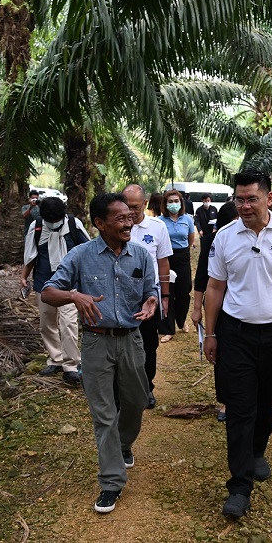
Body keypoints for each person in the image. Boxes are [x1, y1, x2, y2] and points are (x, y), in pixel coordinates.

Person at [202, 171, 272, 518]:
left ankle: (256, 450)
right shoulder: (224, 236)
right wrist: (210, 333)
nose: (244, 205)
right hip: (236, 334)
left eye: (251, 198)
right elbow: (215, 288)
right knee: (240, 409)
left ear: (268, 198)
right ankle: (239, 486)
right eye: (239, 199)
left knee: (268, 403)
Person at [41, 193, 158, 514]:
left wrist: (152, 301)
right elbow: (48, 292)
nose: (128, 222)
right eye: (120, 218)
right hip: (95, 343)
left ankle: (124, 444)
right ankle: (111, 482)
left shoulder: (142, 255)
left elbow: (151, 290)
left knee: (136, 400)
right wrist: (73, 295)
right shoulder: (80, 256)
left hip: (132, 340)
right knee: (103, 414)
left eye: (130, 216)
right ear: (99, 224)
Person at [19, 197, 90, 384]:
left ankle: (71, 365)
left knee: (68, 323)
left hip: (70, 284)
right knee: (47, 322)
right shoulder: (37, 227)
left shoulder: (74, 224)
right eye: (49, 221)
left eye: (56, 221)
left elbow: (88, 250)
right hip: (44, 282)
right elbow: (30, 254)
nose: (53, 224)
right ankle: (55, 359)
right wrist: (24, 277)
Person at [122, 184, 172, 408]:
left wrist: (165, 296)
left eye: (134, 206)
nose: (130, 211)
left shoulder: (158, 227)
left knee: (148, 345)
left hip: (148, 298)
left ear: (144, 204)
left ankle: (147, 388)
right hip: (121, 297)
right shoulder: (117, 226)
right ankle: (124, 390)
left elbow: (163, 262)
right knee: (122, 346)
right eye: (126, 206)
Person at [191, 201, 239, 422]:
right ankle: (226, 401)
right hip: (219, 307)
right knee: (223, 356)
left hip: (243, 309)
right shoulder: (212, 241)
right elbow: (202, 278)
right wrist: (197, 309)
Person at [158, 189, 196, 340]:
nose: (174, 204)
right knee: (168, 292)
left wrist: (185, 250)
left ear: (181, 203)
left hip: (183, 257)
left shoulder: (187, 219)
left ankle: (181, 321)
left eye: (176, 201)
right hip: (166, 257)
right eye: (170, 201)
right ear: (165, 204)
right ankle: (168, 329)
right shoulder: (160, 221)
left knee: (184, 291)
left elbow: (191, 239)